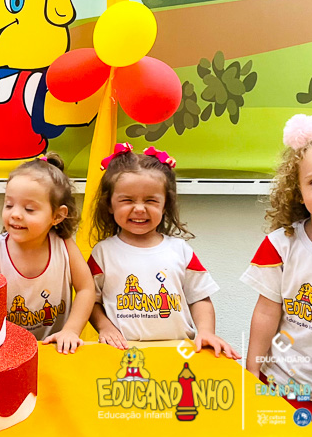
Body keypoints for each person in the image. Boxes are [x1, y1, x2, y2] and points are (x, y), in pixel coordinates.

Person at [243, 114, 312, 437]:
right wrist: (252, 370)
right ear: (298, 191)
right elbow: (266, 312)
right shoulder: (280, 245)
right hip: (283, 390)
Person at [88, 143, 238, 358]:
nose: (139, 209)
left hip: (178, 352)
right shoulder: (102, 253)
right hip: (122, 354)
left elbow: (199, 297)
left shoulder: (180, 250)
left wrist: (206, 332)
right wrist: (105, 327)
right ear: (110, 204)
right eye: (127, 200)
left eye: (151, 200)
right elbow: (89, 300)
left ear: (165, 204)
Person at [0, 153, 95, 354]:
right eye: (9, 204)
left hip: (55, 351)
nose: (15, 214)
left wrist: (71, 331)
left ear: (57, 215)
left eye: (30, 209)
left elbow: (86, 288)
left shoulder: (65, 247)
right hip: (6, 352)